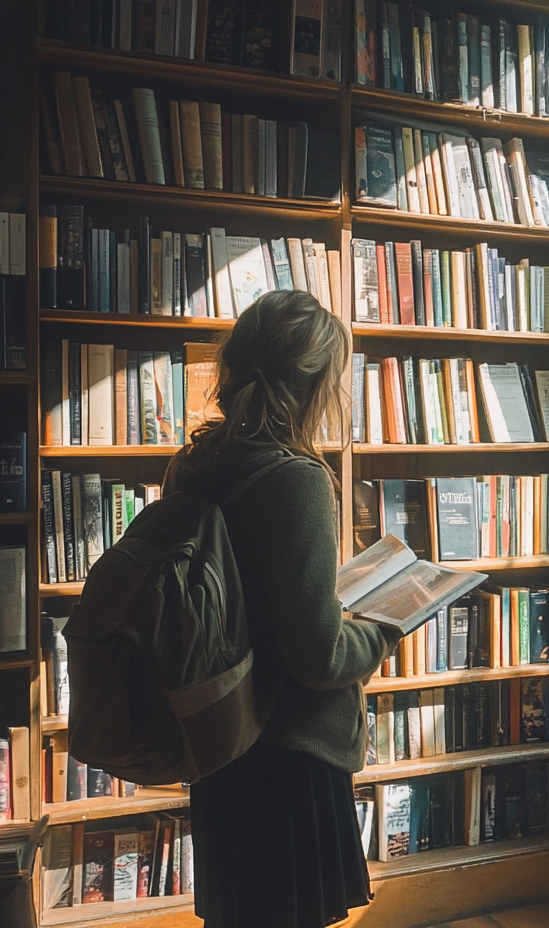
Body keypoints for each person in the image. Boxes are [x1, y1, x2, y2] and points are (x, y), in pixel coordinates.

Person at [164, 289, 400, 928]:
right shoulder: (294, 477)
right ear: (318, 384)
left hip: (221, 740)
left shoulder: (196, 463)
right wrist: (385, 627)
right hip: (288, 755)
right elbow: (317, 657)